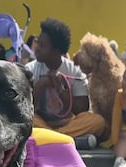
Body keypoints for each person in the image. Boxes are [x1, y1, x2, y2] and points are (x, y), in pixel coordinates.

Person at [25, 18, 106, 150]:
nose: (37, 49)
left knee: (98, 122)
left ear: (56, 51)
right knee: (27, 120)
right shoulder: (30, 69)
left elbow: (81, 109)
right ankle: (69, 140)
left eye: (42, 46)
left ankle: (51, 139)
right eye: (37, 44)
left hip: (68, 123)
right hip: (41, 122)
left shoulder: (74, 70)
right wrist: (41, 85)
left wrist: (62, 89)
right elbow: (26, 108)